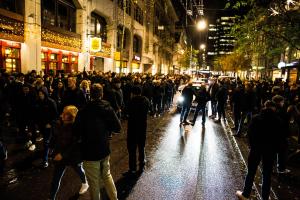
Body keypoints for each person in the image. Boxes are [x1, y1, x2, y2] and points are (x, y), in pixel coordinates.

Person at [74, 83, 121, 200]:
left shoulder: (83, 110)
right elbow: (118, 127)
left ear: (90, 94)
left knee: (94, 182)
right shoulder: (107, 107)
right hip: (104, 148)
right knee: (106, 175)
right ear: (102, 94)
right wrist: (107, 130)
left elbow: (76, 132)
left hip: (89, 151)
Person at [236, 100, 282, 200]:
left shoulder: (256, 118)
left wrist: (252, 145)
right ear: (274, 108)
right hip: (270, 150)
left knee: (251, 171)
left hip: (256, 148)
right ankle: (265, 197)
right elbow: (279, 138)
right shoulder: (277, 120)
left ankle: (246, 194)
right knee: (267, 174)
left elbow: (250, 134)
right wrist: (276, 150)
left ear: (264, 106)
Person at [49, 105, 88, 199]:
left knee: (79, 170)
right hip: (60, 156)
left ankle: (85, 183)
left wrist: (62, 154)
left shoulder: (76, 128)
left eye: (65, 114)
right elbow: (55, 138)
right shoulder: (59, 124)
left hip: (73, 156)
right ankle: (51, 198)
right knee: (56, 178)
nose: (61, 115)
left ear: (71, 116)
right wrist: (51, 147)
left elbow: (75, 144)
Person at [125, 86, 150, 176]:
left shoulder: (130, 102)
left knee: (132, 150)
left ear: (133, 93)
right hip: (142, 127)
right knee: (141, 147)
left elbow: (126, 112)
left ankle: (132, 169)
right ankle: (142, 165)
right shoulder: (146, 101)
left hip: (132, 128)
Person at [34, 88, 58, 168]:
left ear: (45, 93)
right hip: (41, 125)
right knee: (47, 140)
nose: (40, 95)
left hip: (48, 125)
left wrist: (50, 123)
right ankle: (50, 149)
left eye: (42, 94)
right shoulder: (37, 101)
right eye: (39, 94)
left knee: (46, 142)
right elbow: (36, 113)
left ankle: (45, 160)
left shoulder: (51, 102)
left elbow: (55, 114)